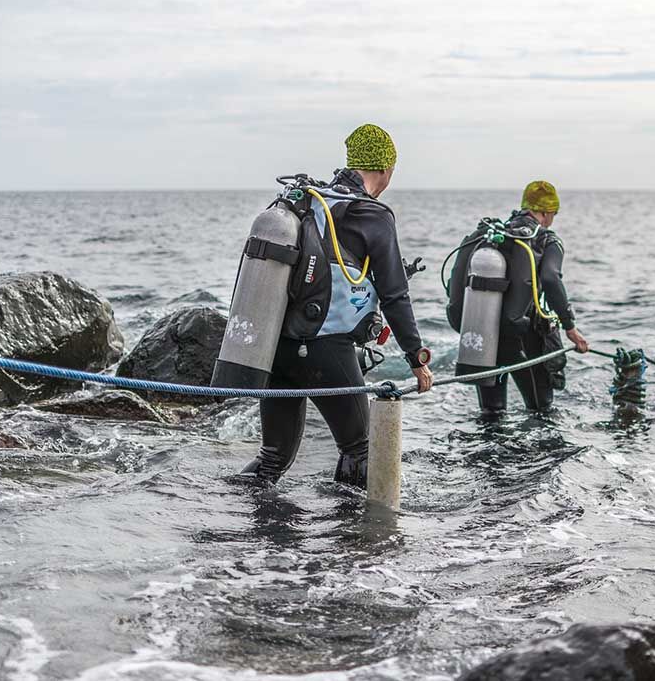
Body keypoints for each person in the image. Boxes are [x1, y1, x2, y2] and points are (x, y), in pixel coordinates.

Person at [241, 124, 433, 487]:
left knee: (273, 458)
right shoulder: (373, 215)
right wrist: (416, 359)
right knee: (360, 450)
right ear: (385, 169)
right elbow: (395, 295)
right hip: (326, 349)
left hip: (278, 347)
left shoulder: (312, 200)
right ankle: (352, 540)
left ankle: (231, 521)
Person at [446, 180, 589, 416]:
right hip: (523, 338)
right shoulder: (545, 239)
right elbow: (552, 279)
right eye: (553, 213)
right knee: (541, 410)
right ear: (545, 212)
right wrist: (571, 328)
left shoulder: (493, 236)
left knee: (491, 413)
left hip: (483, 332)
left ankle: (486, 452)